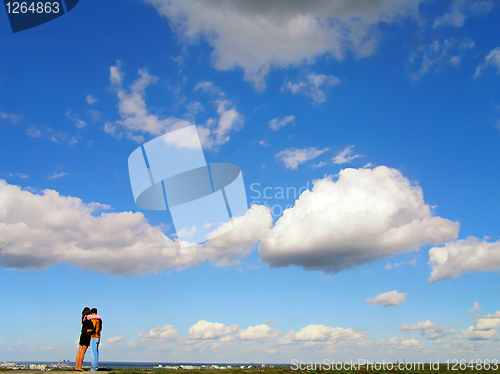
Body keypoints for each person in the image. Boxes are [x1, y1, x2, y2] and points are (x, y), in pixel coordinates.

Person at [75, 307, 93, 371]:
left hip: (82, 334)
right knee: (83, 352)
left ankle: (76, 366)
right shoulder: (88, 318)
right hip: (86, 335)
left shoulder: (82, 318)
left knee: (79, 351)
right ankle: (79, 367)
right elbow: (90, 328)